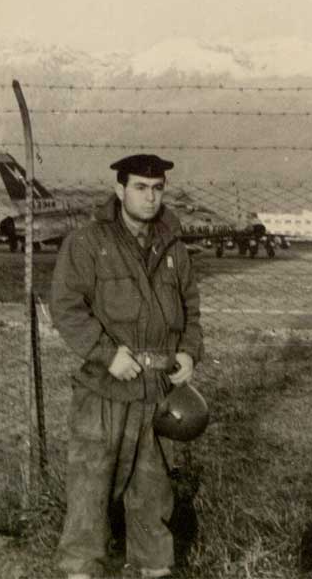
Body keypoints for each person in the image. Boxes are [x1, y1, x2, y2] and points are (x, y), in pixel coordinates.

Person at [50, 153, 204, 579]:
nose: (150, 197)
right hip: (105, 389)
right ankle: (80, 571)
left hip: (157, 391)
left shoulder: (173, 247)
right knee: (91, 489)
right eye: (140, 187)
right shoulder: (88, 243)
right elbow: (65, 307)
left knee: (153, 494)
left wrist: (189, 352)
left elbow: (190, 308)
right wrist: (106, 354)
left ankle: (154, 569)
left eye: (157, 188)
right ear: (119, 190)